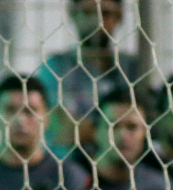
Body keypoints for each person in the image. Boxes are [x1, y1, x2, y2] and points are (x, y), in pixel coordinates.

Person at [36, 0, 138, 160]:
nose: (97, 22)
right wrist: (116, 130)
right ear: (73, 15)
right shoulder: (56, 67)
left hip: (121, 168)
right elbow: (62, 129)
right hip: (67, 167)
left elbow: (148, 126)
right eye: (88, 13)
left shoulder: (132, 68)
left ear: (119, 17)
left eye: (105, 13)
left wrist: (86, 129)